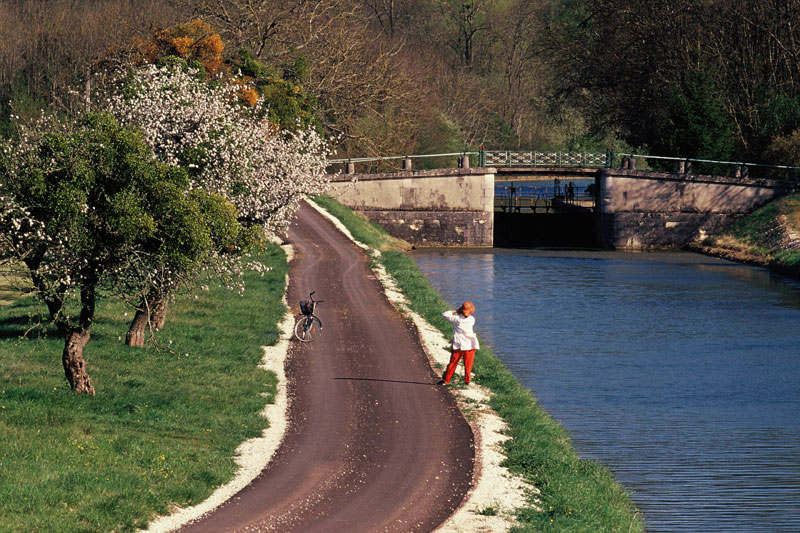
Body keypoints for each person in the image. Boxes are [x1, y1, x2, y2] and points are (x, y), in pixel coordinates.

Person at [439, 301, 480, 385]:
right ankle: (467, 381)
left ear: (461, 310)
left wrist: (456, 310)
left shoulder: (456, 319)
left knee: (453, 363)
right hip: (470, 344)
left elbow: (445, 314)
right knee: (468, 364)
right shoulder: (472, 319)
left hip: (459, 345)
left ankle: (446, 380)